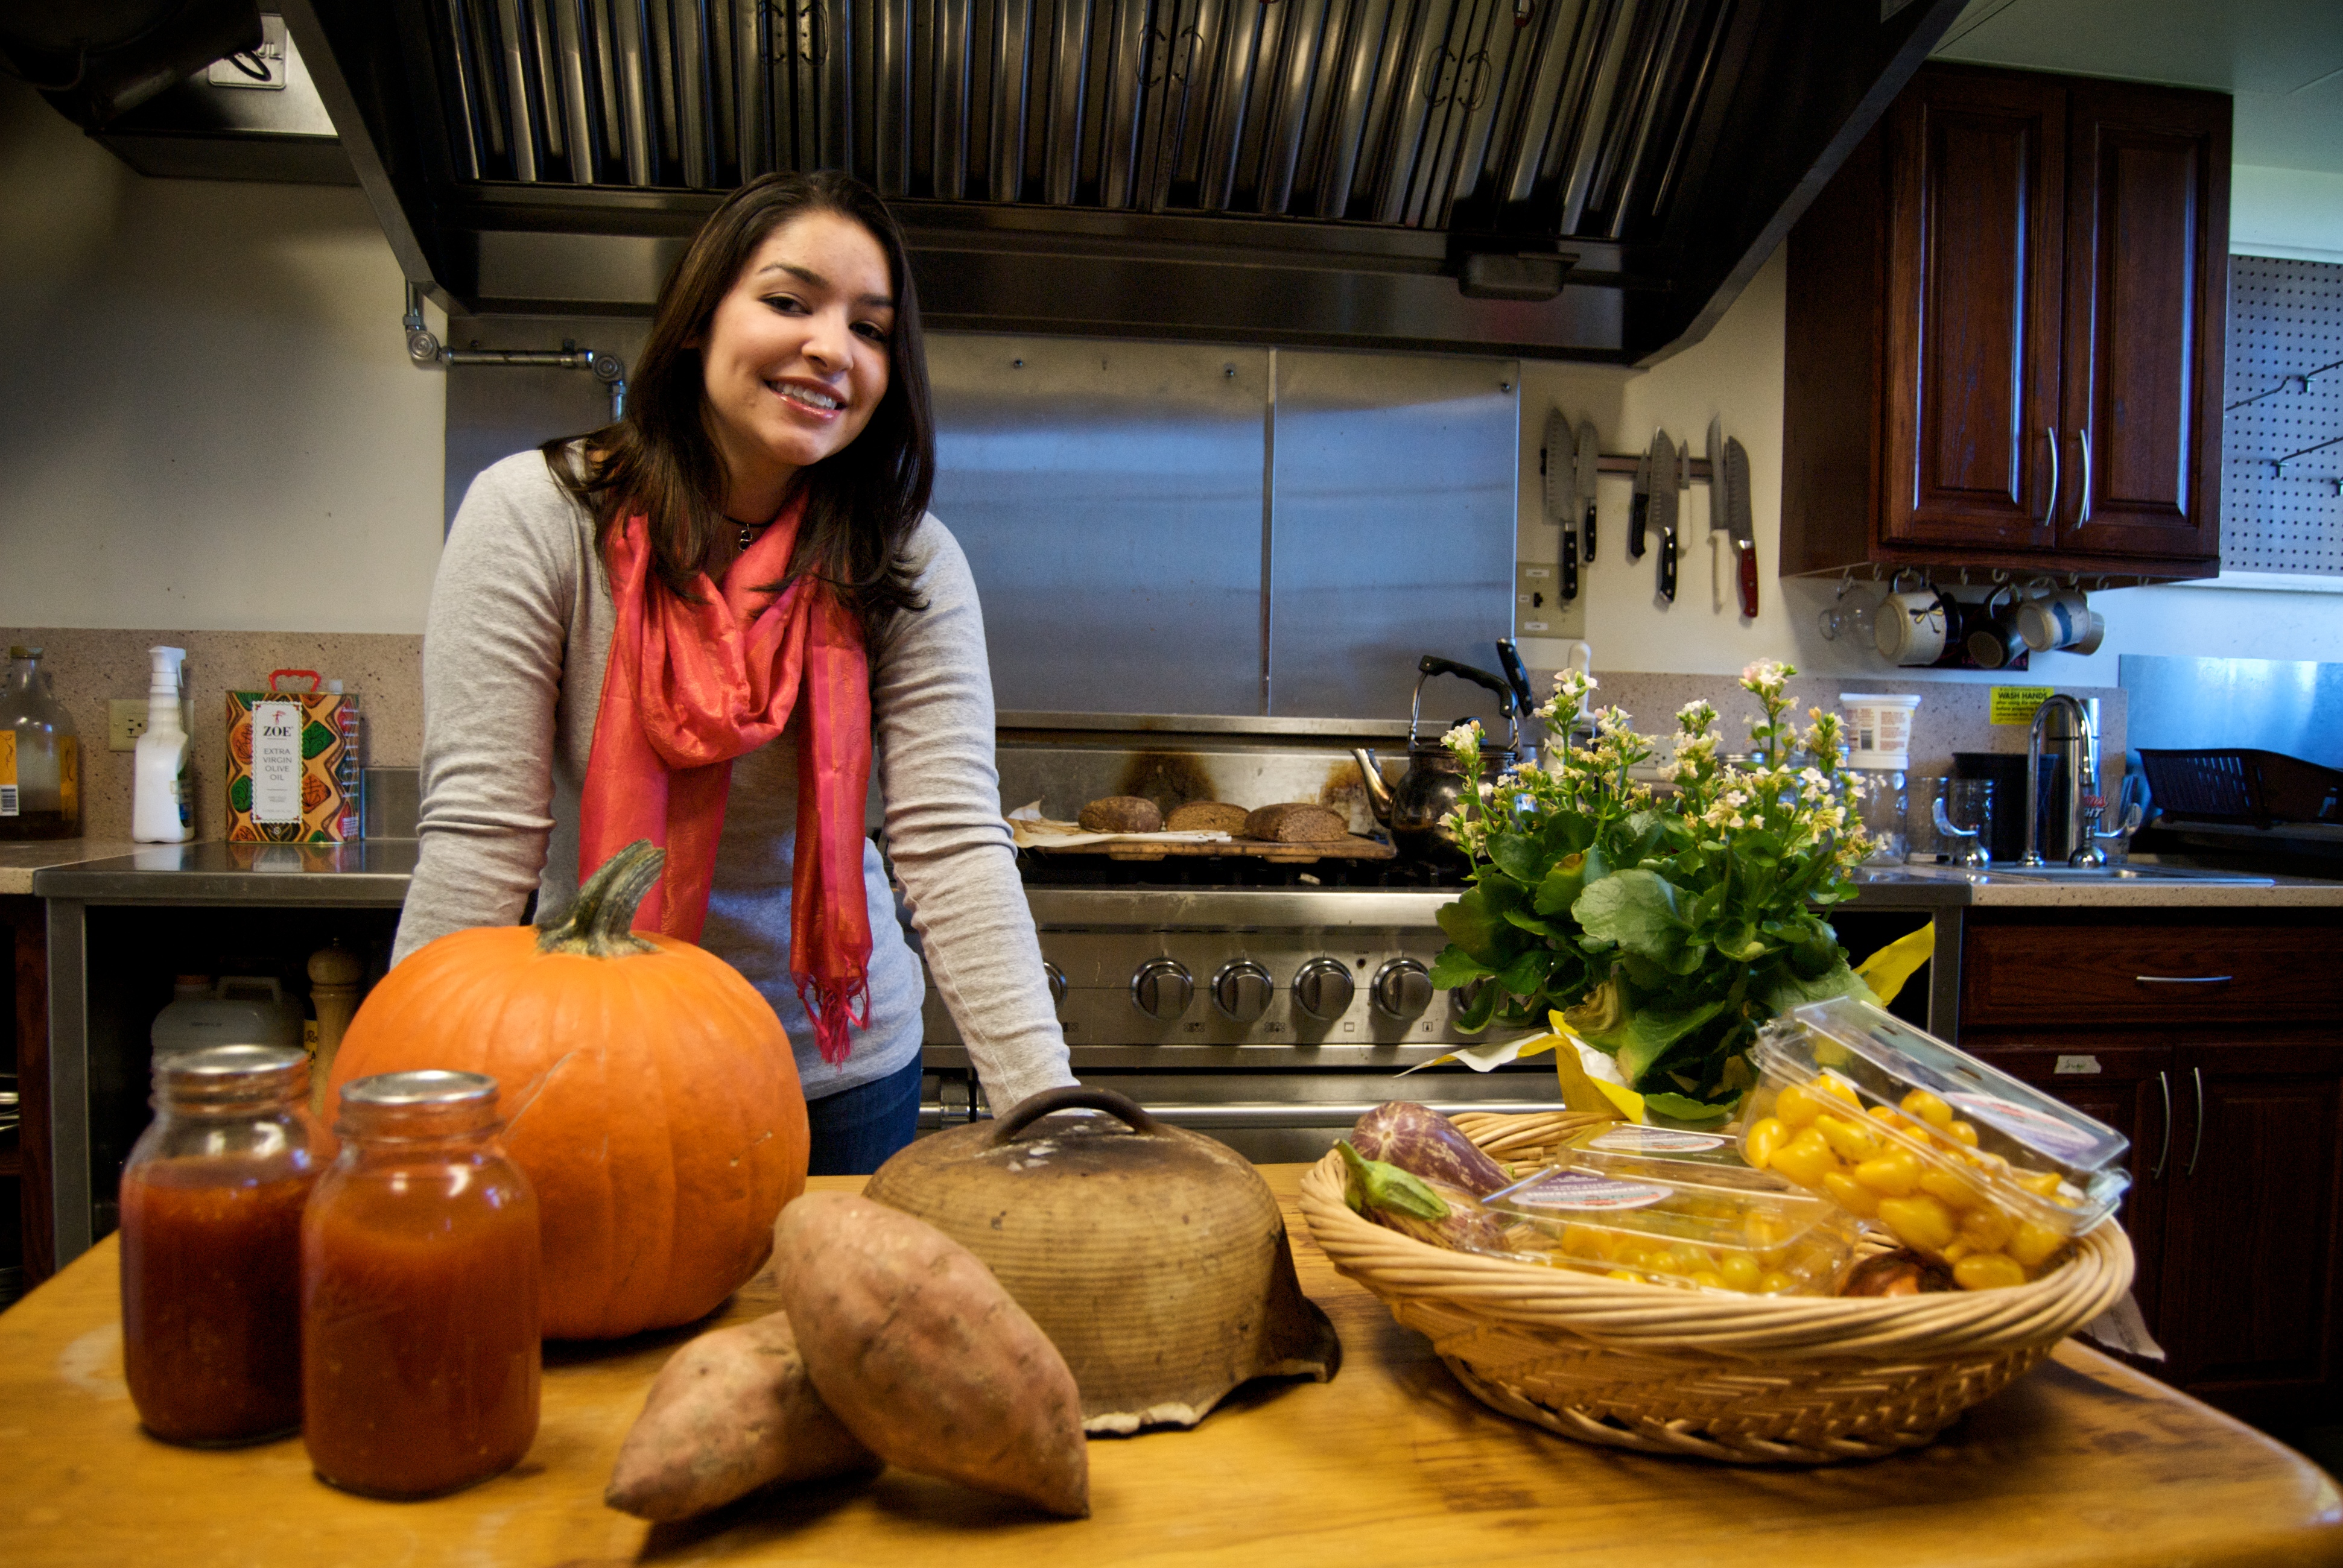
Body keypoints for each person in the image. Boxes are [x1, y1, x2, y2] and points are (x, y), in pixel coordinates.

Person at [393, 170, 1076, 1173]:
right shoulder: (535, 518)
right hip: (590, 1057)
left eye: (873, 329)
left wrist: (1055, 1120)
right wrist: (404, 1122)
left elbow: (952, 844)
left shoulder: (907, 556)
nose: (831, 348)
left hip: (838, 1079)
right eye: (790, 302)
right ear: (696, 321)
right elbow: (483, 841)